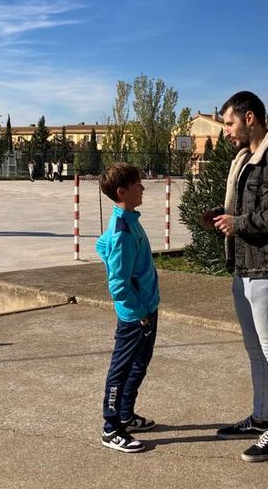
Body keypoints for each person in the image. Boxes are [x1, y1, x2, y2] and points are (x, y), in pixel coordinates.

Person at [201, 91, 268, 463]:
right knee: (255, 352)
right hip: (245, 266)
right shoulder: (245, 158)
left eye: (229, 122)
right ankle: (261, 416)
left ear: (250, 119)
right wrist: (222, 216)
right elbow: (249, 209)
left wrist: (240, 223)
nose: (226, 130)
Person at [95, 162, 160, 454]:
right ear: (122, 191)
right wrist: (140, 311)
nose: (142, 188)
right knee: (121, 370)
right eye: (138, 184)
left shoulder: (128, 220)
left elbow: (100, 244)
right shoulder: (122, 231)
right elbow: (118, 284)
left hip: (147, 309)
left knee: (139, 365)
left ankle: (125, 414)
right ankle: (111, 427)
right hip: (136, 316)